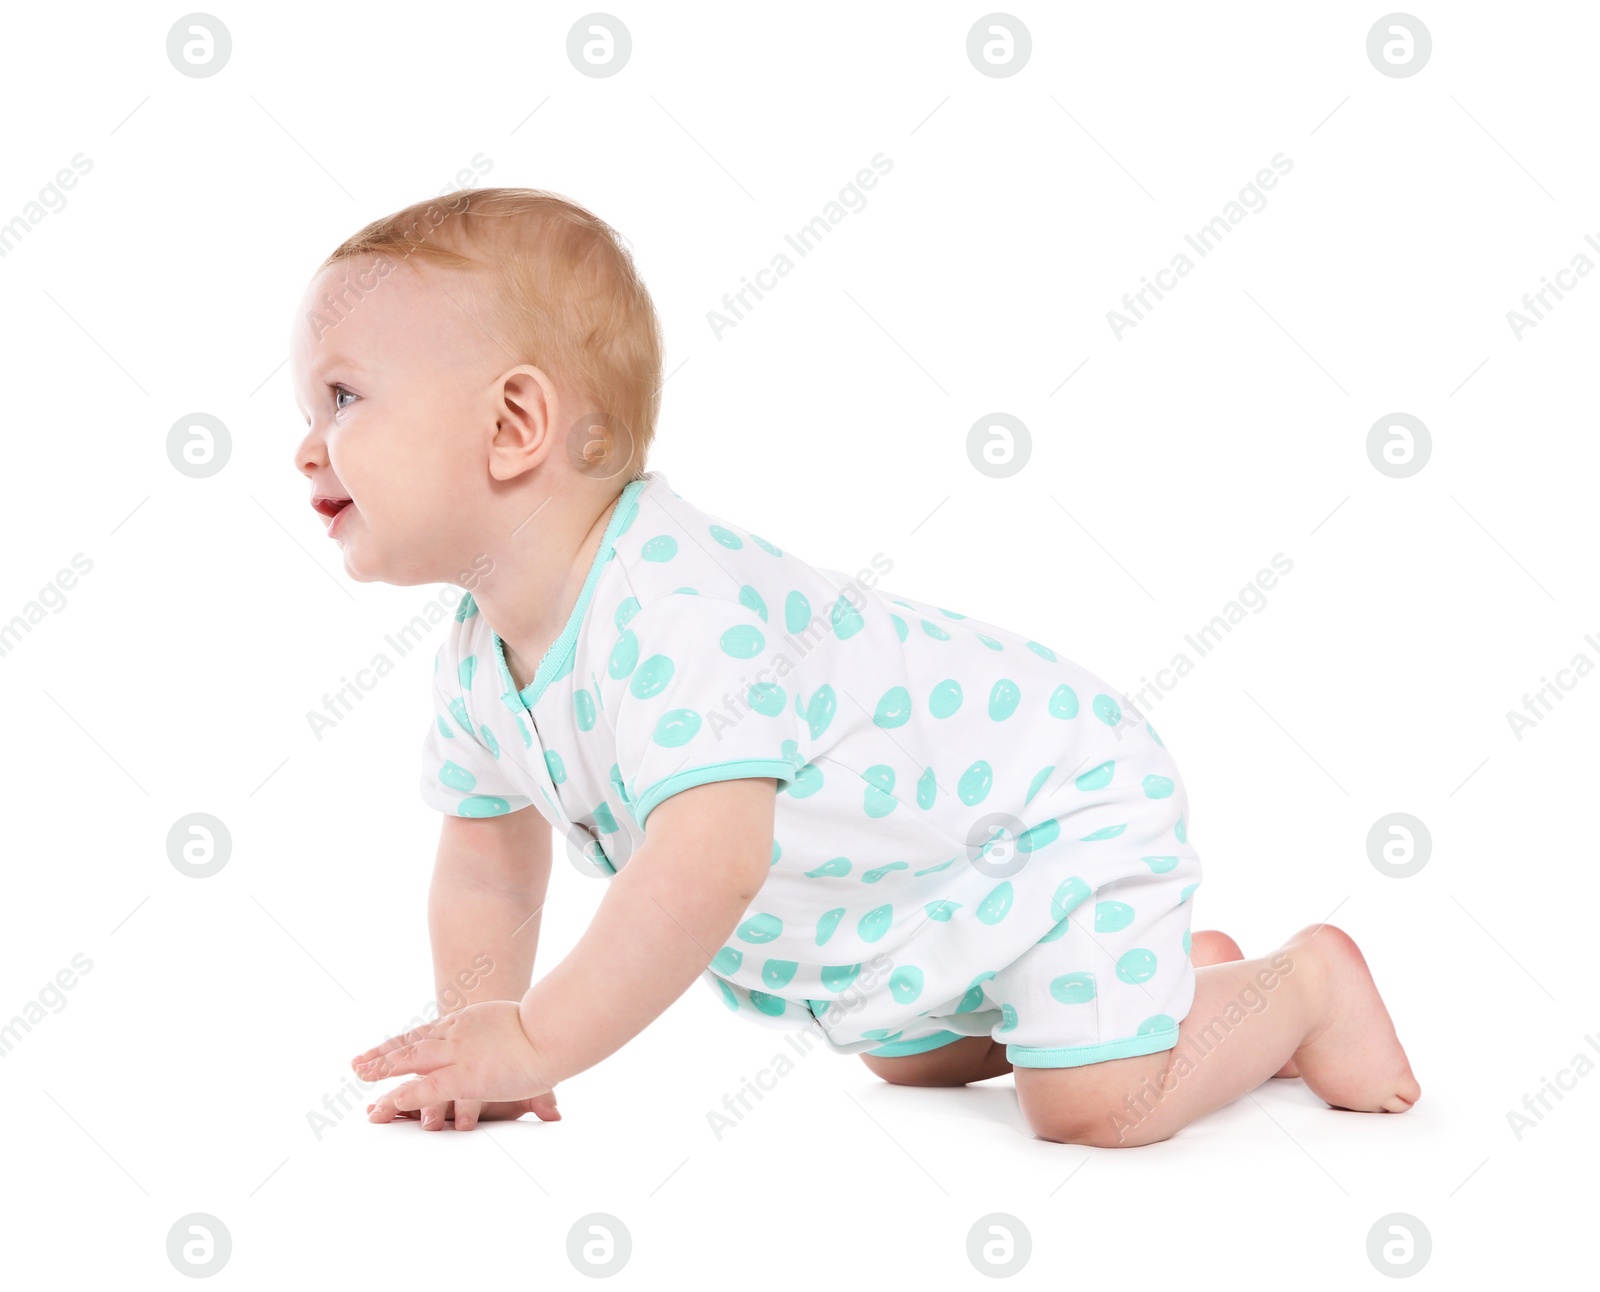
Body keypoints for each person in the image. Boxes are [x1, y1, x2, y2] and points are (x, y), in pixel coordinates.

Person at [289, 187, 1419, 1148]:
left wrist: (541, 1035)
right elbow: (489, 863)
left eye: (341, 397)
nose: (304, 442)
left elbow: (705, 867)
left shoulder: (674, 610)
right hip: (931, 881)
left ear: (515, 421)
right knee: (908, 1059)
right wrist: (477, 1038)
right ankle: (1162, 989)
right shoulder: (481, 654)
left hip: (1051, 799)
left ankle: (1297, 986)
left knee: (1096, 1105)